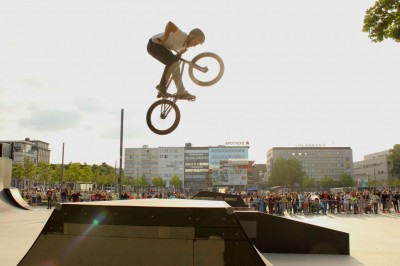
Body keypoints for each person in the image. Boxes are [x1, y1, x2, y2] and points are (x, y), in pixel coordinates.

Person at [147, 21, 205, 100]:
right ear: (192, 36)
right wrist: (165, 38)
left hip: (161, 48)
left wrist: (178, 56)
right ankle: (162, 86)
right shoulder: (182, 36)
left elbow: (176, 58)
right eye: (196, 42)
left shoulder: (185, 47)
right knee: (173, 62)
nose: (195, 45)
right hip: (154, 45)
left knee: (175, 66)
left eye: (197, 44)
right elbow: (170, 24)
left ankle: (181, 91)